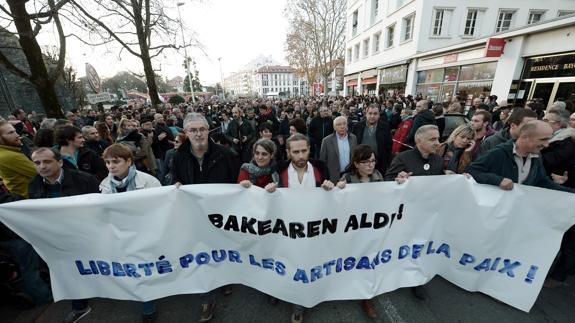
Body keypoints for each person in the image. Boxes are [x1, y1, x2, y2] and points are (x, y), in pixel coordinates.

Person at [172, 112, 239, 322]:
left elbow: (236, 184)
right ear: (185, 133)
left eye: (202, 129)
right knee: (201, 255)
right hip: (194, 217)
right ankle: (206, 297)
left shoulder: (225, 154)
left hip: (221, 216)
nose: (198, 133)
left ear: (208, 130)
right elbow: (175, 180)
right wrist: (176, 187)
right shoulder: (177, 156)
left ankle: (225, 278)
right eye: (193, 130)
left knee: (223, 250)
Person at [27, 147, 100, 323]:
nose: (42, 166)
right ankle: (80, 306)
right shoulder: (34, 185)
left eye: (47, 161)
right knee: (70, 270)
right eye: (37, 163)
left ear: (59, 162)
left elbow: (99, 206)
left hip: (87, 234)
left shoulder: (84, 179)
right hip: (59, 239)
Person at [270, 133, 334, 323]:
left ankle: (302, 301)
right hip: (286, 228)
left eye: (303, 151)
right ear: (288, 152)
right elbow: (267, 199)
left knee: (308, 264)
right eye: (295, 152)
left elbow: (332, 197)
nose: (300, 156)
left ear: (309, 150)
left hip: (314, 228)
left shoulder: (320, 169)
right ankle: (286, 296)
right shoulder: (277, 171)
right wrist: (268, 192)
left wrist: (331, 187)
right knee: (286, 263)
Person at [98, 144, 161, 322]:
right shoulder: (104, 185)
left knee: (148, 268)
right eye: (107, 162)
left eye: (116, 161)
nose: (111, 166)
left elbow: (161, 208)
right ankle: (147, 305)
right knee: (137, 271)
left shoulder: (149, 182)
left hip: (146, 233)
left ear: (128, 161)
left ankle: (154, 298)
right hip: (122, 235)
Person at [465, 120, 574, 193]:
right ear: (525, 137)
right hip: (495, 214)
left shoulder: (537, 156)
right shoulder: (499, 153)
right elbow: (471, 171)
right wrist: (497, 180)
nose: (547, 145)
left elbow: (541, 181)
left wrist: (570, 193)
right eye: (543, 140)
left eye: (548, 139)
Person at [354, 104, 392, 177]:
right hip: (361, 163)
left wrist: (386, 160)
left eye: (375, 114)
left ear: (379, 115)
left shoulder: (385, 127)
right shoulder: (358, 126)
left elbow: (389, 145)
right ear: (366, 114)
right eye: (370, 113)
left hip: (379, 163)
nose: (372, 116)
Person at [0, 121, 36, 198]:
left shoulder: (6, 151)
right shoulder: (9, 156)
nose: (17, 135)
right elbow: (41, 172)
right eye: (10, 133)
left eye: (15, 131)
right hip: (33, 197)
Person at [319, 116, 357, 183]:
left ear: (347, 125)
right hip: (334, 176)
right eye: (339, 124)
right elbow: (322, 161)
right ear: (334, 127)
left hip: (350, 175)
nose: (342, 126)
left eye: (344, 124)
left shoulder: (353, 138)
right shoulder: (326, 141)